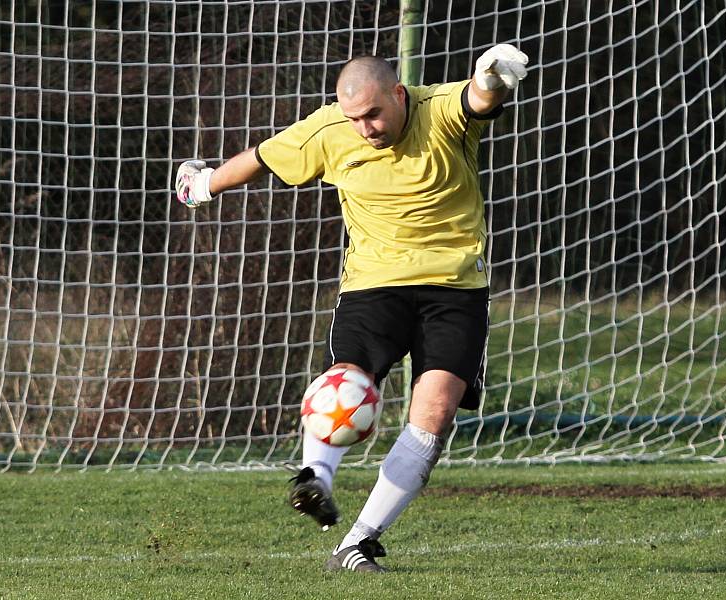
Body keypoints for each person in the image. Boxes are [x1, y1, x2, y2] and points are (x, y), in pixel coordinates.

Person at [175, 44, 528, 572]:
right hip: (374, 286)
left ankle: (358, 541)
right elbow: (264, 158)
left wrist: (494, 76)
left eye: (374, 114)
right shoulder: (330, 130)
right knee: (344, 383)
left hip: (455, 289)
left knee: (433, 417)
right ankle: (315, 478)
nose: (365, 128)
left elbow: (479, 100)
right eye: (354, 118)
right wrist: (202, 184)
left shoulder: (439, 110)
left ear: (399, 95)